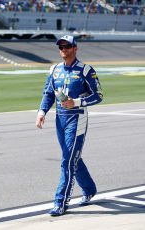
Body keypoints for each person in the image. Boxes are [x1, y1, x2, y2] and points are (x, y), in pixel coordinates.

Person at [36, 35, 103, 216]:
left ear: (75, 48)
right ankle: (89, 189)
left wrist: (77, 102)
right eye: (61, 47)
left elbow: (99, 95)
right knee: (72, 157)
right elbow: (48, 93)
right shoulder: (54, 69)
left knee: (67, 160)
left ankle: (61, 201)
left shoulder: (85, 70)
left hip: (77, 118)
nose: (63, 50)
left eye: (67, 46)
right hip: (60, 119)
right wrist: (42, 112)